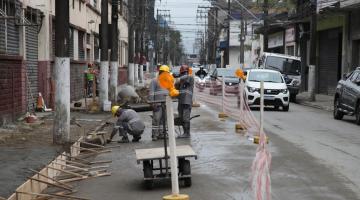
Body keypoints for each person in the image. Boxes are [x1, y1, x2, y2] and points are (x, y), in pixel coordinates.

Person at [148, 65, 169, 141]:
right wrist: (152, 104)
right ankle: (154, 135)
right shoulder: (154, 81)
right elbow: (151, 93)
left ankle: (162, 133)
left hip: (166, 104)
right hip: (157, 104)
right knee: (156, 119)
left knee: (164, 120)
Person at [176, 65, 194, 138]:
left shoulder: (190, 77)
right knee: (181, 117)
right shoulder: (180, 82)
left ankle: (187, 133)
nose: (183, 74)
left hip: (187, 101)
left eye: (184, 73)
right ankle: (184, 132)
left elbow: (186, 77)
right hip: (181, 101)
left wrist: (178, 77)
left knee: (185, 117)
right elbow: (175, 86)